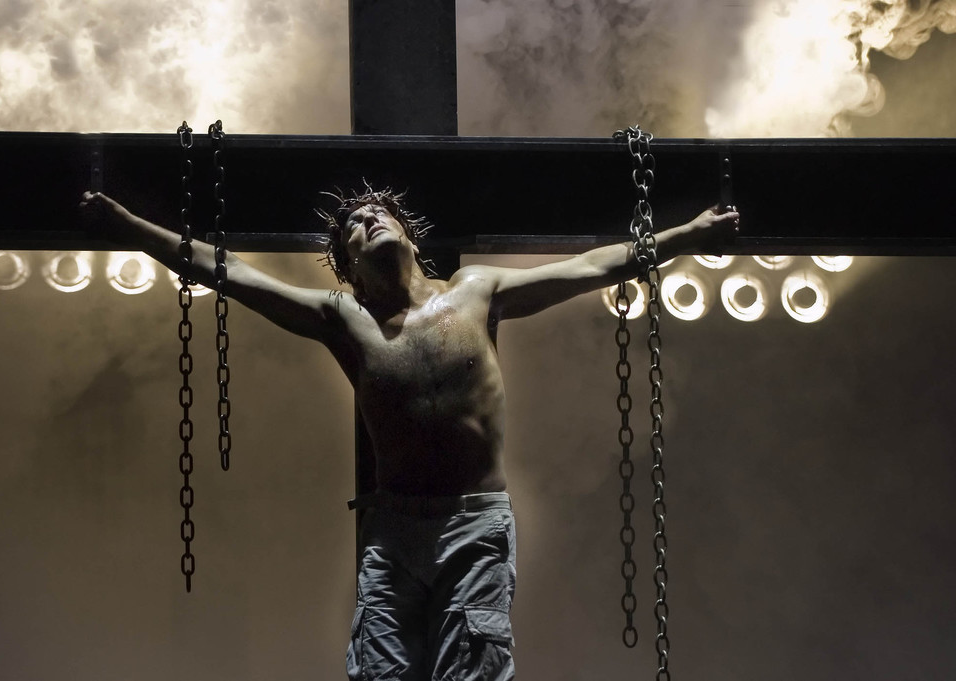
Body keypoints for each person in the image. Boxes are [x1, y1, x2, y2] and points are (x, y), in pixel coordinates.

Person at [80, 185, 740, 681]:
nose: (369, 221)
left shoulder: (476, 291)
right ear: (349, 265)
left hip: (473, 526)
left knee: (472, 669)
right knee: (379, 672)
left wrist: (686, 235)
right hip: (394, 534)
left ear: (410, 238)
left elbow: (594, 267)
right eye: (354, 226)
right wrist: (126, 225)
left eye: (379, 214)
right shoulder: (345, 318)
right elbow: (225, 270)